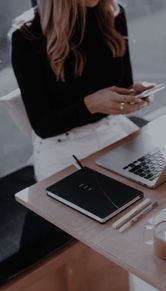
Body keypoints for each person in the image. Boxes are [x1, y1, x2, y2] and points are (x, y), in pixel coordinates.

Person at [11, 0, 153, 182]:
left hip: (113, 129)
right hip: (62, 147)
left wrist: (135, 93)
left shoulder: (114, 12)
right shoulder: (27, 36)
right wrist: (91, 105)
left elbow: (124, 85)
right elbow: (43, 126)